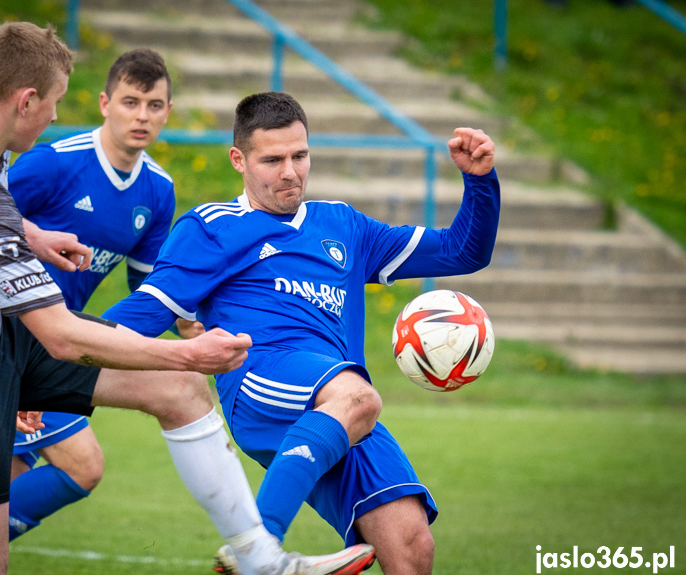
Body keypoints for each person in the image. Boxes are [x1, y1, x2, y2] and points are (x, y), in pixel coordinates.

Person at [0, 24, 373, 575]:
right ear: (26, 100)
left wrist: (31, 235)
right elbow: (59, 335)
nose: (57, 118)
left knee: (180, 391)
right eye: (56, 103)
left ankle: (260, 560)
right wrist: (190, 353)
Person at [103, 92, 501, 574]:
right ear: (239, 160)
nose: (290, 172)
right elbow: (141, 314)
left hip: (335, 401)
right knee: (361, 399)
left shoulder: (344, 226)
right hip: (261, 379)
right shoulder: (212, 228)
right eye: (272, 160)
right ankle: (259, 551)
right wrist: (51, 367)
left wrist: (480, 182)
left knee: (412, 547)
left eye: (300, 155)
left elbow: (462, 252)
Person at [0, 47, 209, 575]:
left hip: (55, 347)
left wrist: (187, 324)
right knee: (82, 464)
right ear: (105, 103)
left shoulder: (158, 191)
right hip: (5, 339)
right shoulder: (53, 162)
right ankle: (257, 550)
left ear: (168, 111)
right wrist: (17, 356)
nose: (142, 116)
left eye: (154, 105)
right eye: (131, 102)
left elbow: (149, 295)